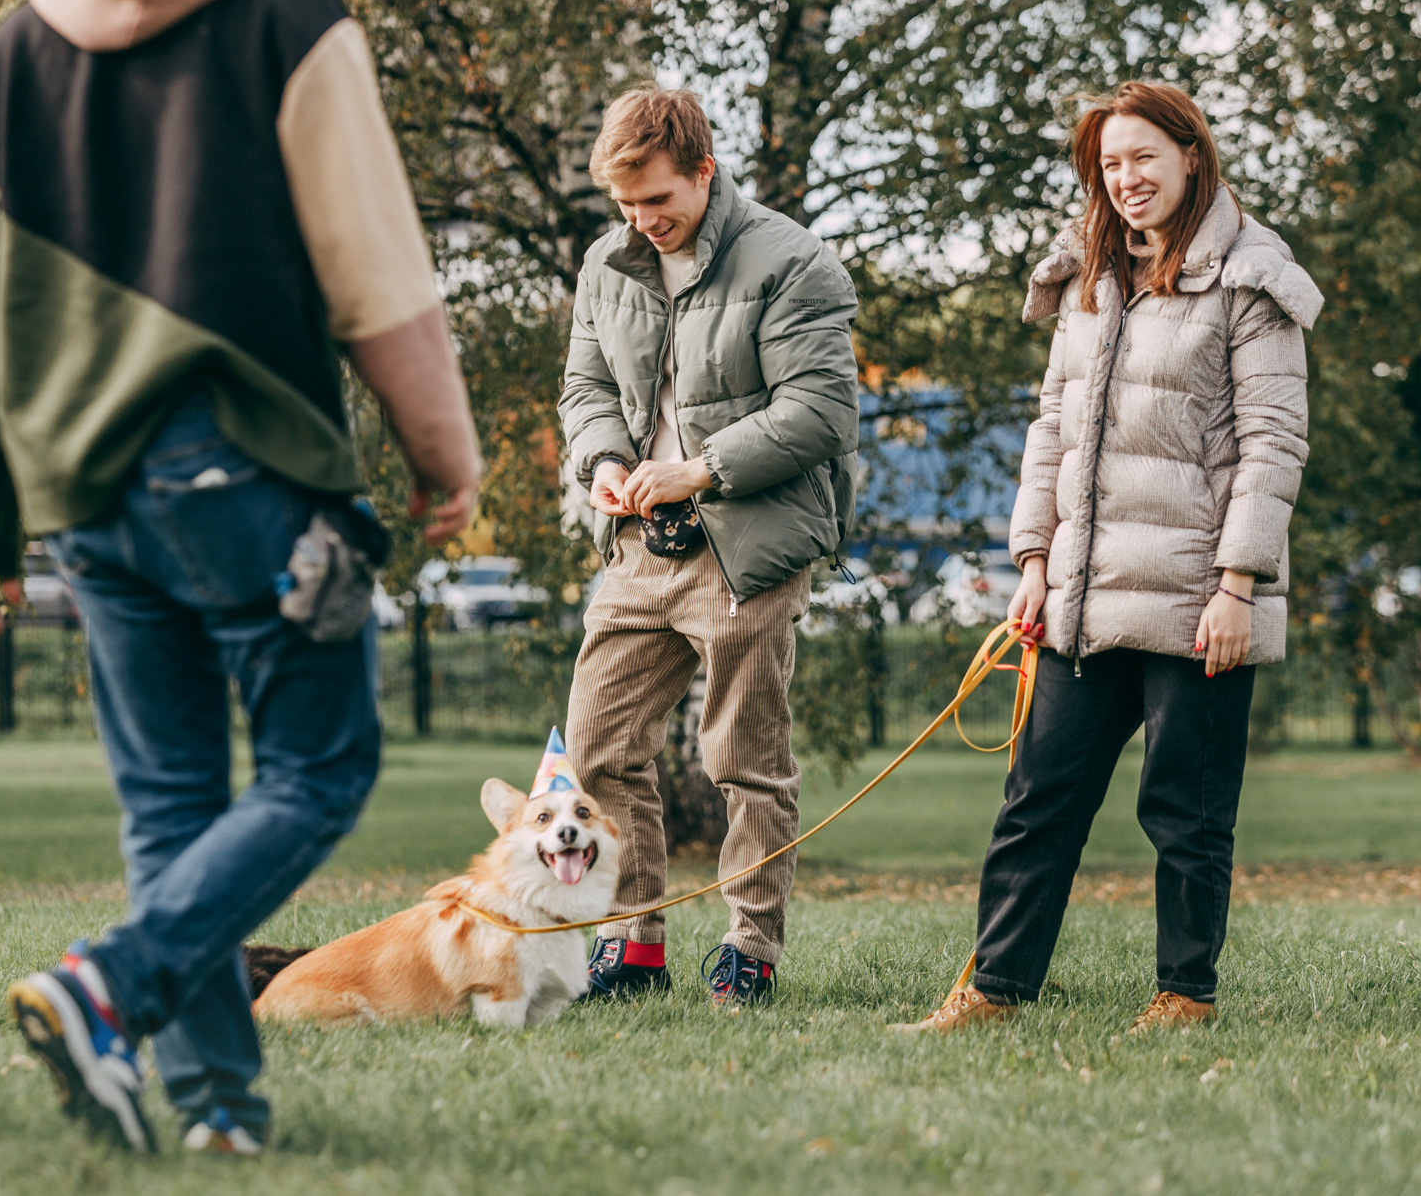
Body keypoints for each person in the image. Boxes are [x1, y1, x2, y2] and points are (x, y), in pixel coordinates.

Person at [0, 0, 480, 1153]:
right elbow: (374, 265)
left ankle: (220, 1112)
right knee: (322, 764)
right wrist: (441, 448)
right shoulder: (290, 18)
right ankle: (105, 987)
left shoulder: (0, 69)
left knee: (171, 804)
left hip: (85, 495)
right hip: (243, 464)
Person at [895, 81, 1322, 1035]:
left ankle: (1184, 997)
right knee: (1035, 805)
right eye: (1109, 163)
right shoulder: (1087, 276)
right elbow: (1052, 428)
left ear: (1190, 156)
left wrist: (1237, 585)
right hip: (1081, 600)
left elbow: (1273, 442)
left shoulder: (1254, 278)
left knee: (1185, 815)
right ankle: (994, 993)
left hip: (1198, 603)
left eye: (1143, 158)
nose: (1125, 179)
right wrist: (1034, 559)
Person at [557, 85, 859, 1006]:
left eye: (660, 201)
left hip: (746, 549)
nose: (644, 221)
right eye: (626, 204)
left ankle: (750, 949)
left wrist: (702, 468)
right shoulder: (607, 265)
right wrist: (604, 460)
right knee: (599, 746)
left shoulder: (791, 259)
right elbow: (584, 388)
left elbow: (820, 411)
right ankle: (632, 942)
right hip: (636, 547)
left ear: (704, 171)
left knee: (741, 758)